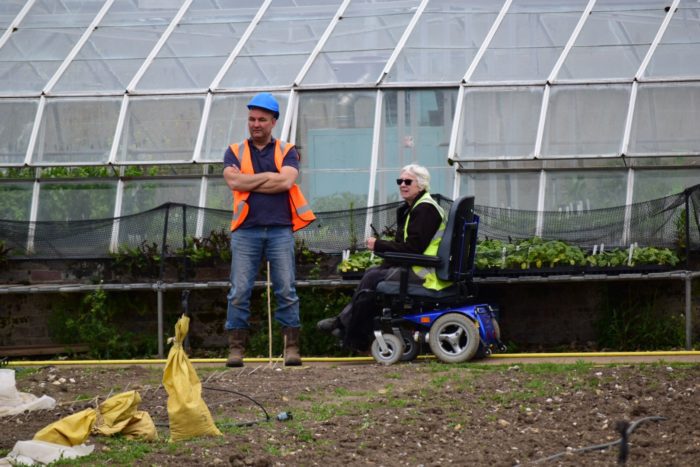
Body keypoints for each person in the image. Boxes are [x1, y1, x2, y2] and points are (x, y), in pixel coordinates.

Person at [223, 92, 315, 367]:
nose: (255, 124)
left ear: (273, 122)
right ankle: (236, 349)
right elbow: (233, 183)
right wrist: (268, 178)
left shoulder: (287, 150)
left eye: (262, 119)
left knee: (286, 288)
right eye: (251, 119)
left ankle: (291, 348)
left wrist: (249, 180)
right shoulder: (234, 150)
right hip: (245, 231)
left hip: (279, 230)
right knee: (239, 290)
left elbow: (286, 183)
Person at [317, 164, 451, 351]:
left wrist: (378, 245)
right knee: (373, 273)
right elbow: (407, 246)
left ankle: (351, 332)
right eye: (400, 181)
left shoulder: (425, 209)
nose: (402, 185)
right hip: (417, 266)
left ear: (420, 185)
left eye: (407, 181)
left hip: (425, 273)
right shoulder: (413, 208)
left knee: (372, 278)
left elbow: (413, 248)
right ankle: (348, 328)